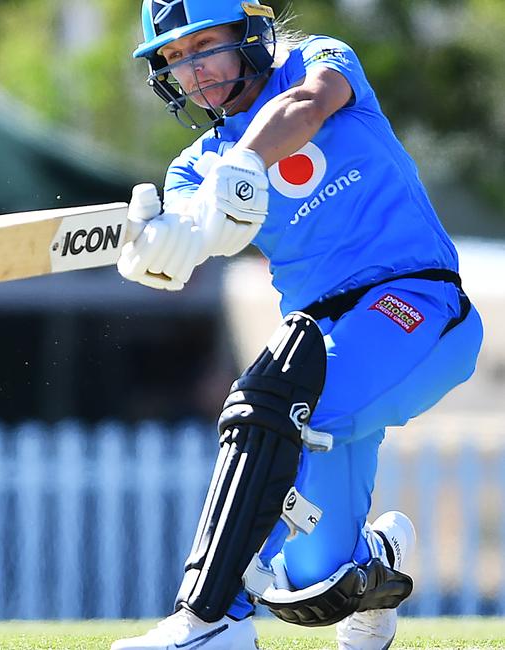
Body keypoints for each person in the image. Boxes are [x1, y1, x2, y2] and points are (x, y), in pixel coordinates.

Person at [112, 1, 484, 649]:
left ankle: (209, 621)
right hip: (326, 349)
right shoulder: (193, 168)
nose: (191, 73)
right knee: (313, 585)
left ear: (250, 34)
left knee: (266, 397)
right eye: (173, 60)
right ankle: (376, 561)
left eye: (202, 47)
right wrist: (162, 250)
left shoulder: (318, 60)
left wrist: (245, 165)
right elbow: (193, 240)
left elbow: (307, 108)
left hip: (417, 307)